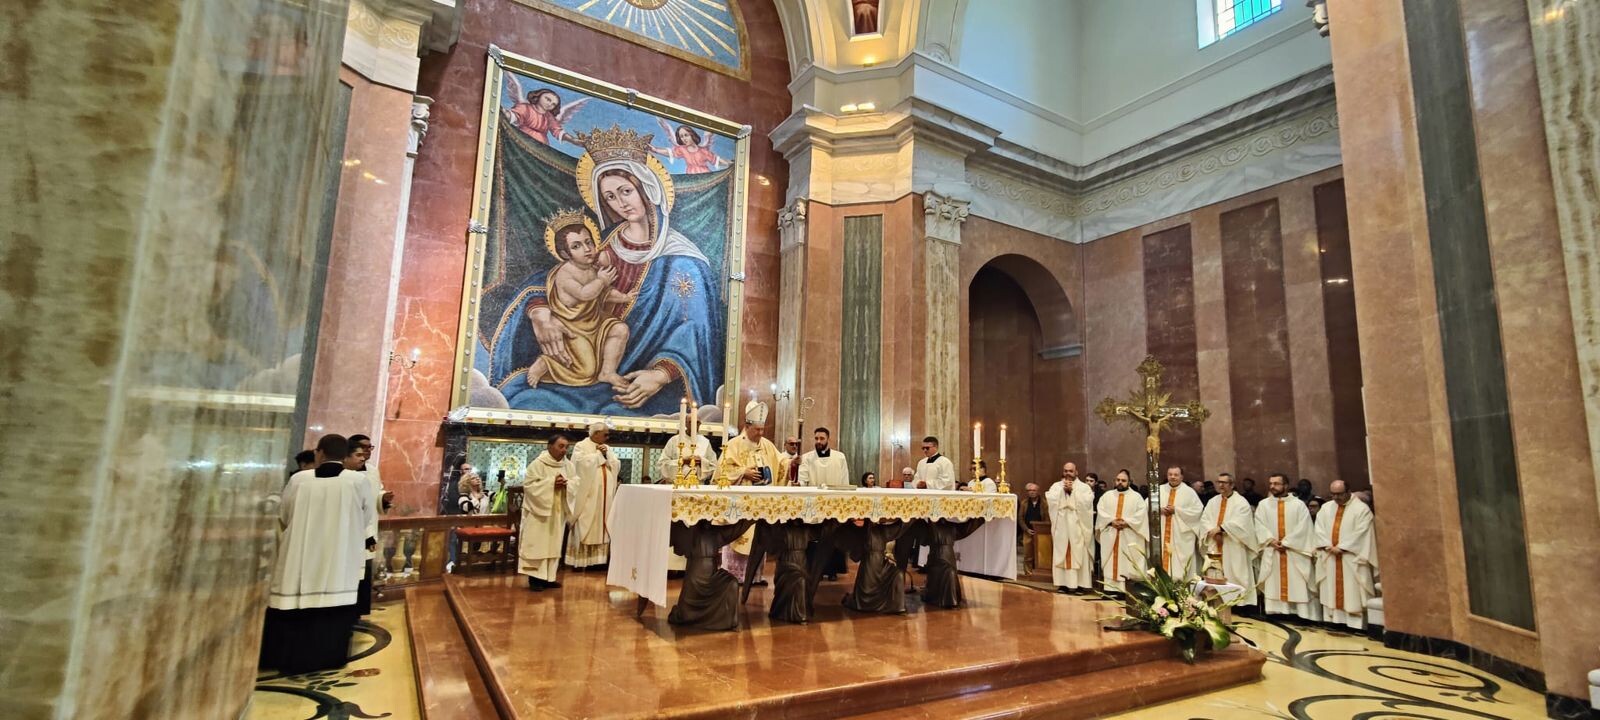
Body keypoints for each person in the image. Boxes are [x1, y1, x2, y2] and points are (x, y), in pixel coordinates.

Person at [486, 126, 723, 414]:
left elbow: (696, 331)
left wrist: (660, 375)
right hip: (581, 353)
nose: (621, 203)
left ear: (647, 189)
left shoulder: (684, 261)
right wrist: (541, 313)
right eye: (610, 197)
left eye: (626, 191)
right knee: (522, 399)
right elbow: (551, 281)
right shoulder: (602, 247)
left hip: (643, 385)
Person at [261, 434, 375, 674]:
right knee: (334, 611)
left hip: (300, 556)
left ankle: (289, 657)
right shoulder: (357, 481)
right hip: (339, 555)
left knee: (296, 607)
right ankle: (330, 656)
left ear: (319, 453)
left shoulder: (299, 480)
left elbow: (284, 515)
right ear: (345, 455)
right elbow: (364, 517)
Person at [523, 211, 635, 390]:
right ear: (565, 253)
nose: (587, 249)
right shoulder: (565, 274)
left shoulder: (592, 268)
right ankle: (547, 364)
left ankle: (608, 372)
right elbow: (585, 294)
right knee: (586, 371)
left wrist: (624, 297)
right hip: (572, 329)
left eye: (588, 242)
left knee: (620, 329)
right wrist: (602, 280)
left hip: (595, 323)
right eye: (576, 246)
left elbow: (603, 294)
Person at [717, 400, 786, 583]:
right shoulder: (733, 445)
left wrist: (791, 463)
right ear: (747, 426)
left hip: (761, 504)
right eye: (757, 429)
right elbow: (721, 472)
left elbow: (780, 464)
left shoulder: (767, 445)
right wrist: (743, 472)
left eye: (763, 429)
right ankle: (734, 577)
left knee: (759, 537)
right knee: (739, 538)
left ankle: (755, 577)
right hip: (740, 505)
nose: (761, 433)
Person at [1314, 480, 1378, 629]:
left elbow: (1362, 532)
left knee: (1353, 591)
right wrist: (1327, 545)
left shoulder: (1361, 509)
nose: (1336, 498)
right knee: (1330, 588)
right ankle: (1334, 620)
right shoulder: (1326, 508)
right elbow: (1319, 528)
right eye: (1333, 494)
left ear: (1348, 491)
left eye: (1339, 494)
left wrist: (1342, 547)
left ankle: (1355, 624)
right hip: (1329, 555)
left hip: (1352, 557)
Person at [1256, 473, 1318, 620]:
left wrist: (1286, 543)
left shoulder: (1298, 505)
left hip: (1294, 552)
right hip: (1272, 549)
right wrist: (1270, 540)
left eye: (1276, 484)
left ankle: (1300, 613)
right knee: (1274, 581)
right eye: (1271, 483)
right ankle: (1276, 611)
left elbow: (1304, 527)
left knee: (1297, 581)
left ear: (1286, 486)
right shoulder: (1264, 504)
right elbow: (1259, 525)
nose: (1272, 486)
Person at [519, 434, 575, 591]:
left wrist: (567, 484)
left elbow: (576, 482)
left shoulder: (568, 465)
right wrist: (551, 484)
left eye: (566, 447)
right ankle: (535, 579)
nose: (564, 450)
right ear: (550, 446)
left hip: (557, 513)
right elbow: (529, 487)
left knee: (554, 545)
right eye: (561, 446)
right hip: (539, 513)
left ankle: (550, 577)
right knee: (538, 545)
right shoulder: (537, 464)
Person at [1201, 473, 1261, 608]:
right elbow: (1204, 519)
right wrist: (1211, 530)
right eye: (1219, 482)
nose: (1221, 485)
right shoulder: (1213, 501)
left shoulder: (1241, 502)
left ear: (1232, 485)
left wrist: (1222, 528)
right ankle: (1218, 601)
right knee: (1215, 573)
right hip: (1215, 544)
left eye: (1224, 482)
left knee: (1236, 572)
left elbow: (1242, 523)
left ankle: (1239, 604)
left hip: (1233, 544)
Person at [567, 421, 621, 568]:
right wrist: (599, 455)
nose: (607, 438)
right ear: (596, 433)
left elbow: (616, 464)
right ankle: (580, 561)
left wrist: (607, 456)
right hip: (588, 494)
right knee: (586, 520)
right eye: (605, 434)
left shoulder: (607, 448)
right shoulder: (581, 446)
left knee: (603, 523)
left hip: (605, 496)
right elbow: (579, 465)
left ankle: (599, 561)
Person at [1095, 470, 1148, 593]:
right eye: (1118, 480)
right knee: (1110, 562)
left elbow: (1141, 514)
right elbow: (1101, 511)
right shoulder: (1107, 496)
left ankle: (1126, 591)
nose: (1120, 482)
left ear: (1129, 482)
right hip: (1111, 534)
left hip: (1129, 534)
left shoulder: (1136, 497)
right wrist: (1111, 521)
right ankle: (1110, 590)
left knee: (1127, 562)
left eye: (1123, 480)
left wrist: (1127, 522)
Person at [1047, 463, 1095, 593]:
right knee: (1061, 552)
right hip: (1062, 527)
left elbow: (1087, 503)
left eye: (1071, 471)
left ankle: (1080, 584)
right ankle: (1062, 584)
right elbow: (1050, 500)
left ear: (1076, 472)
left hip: (1077, 528)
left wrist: (1072, 492)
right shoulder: (1056, 486)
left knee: (1078, 553)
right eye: (1066, 471)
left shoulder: (1084, 487)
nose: (1068, 473)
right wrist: (1063, 492)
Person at [1155, 465, 1204, 580]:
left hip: (1181, 536)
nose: (1172, 477)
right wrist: (1158, 509)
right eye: (1170, 474)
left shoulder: (1189, 492)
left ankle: (1181, 588)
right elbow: (1147, 506)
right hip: (1162, 532)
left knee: (1180, 567)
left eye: (1176, 475)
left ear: (1181, 477)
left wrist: (1176, 510)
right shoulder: (1158, 490)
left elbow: (1197, 511)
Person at [650, 119, 727, 174]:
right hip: (691, 177)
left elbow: (717, 160)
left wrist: (730, 164)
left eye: (686, 135)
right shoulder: (682, 149)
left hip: (705, 175)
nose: (684, 139)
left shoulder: (703, 151)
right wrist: (655, 150)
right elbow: (670, 153)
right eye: (681, 136)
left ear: (692, 135)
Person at [655, 418, 718, 484]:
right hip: (676, 484)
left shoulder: (705, 442)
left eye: (697, 422)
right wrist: (683, 461)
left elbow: (713, 466)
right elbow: (661, 464)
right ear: (685, 423)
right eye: (691, 422)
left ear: (700, 424)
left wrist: (701, 461)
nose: (694, 425)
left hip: (697, 485)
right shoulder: (674, 440)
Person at [1019, 482, 1046, 574]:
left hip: (1041, 533)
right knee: (1028, 555)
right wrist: (1026, 529)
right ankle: (1028, 574)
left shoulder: (1044, 503)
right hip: (1028, 532)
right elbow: (1020, 518)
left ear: (1038, 491)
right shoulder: (1024, 503)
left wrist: (1042, 530)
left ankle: (1039, 573)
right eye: (1029, 490)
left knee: (1040, 554)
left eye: (1034, 490)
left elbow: (1047, 518)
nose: (1032, 492)